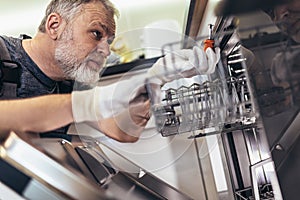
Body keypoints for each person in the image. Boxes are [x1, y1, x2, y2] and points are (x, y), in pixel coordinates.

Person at [0, 0, 220, 143]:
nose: (106, 51)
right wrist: (88, 103)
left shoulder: (72, 81)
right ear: (55, 26)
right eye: (96, 33)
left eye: (110, 42)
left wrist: (154, 79)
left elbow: (122, 131)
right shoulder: (2, 53)